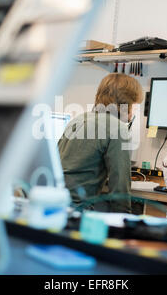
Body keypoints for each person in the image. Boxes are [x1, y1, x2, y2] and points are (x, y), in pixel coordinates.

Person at [58, 73, 143, 213]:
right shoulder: (117, 128)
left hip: (55, 200)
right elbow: (119, 185)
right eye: (134, 106)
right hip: (78, 209)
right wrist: (122, 223)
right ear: (126, 104)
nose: (132, 113)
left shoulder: (78, 119)